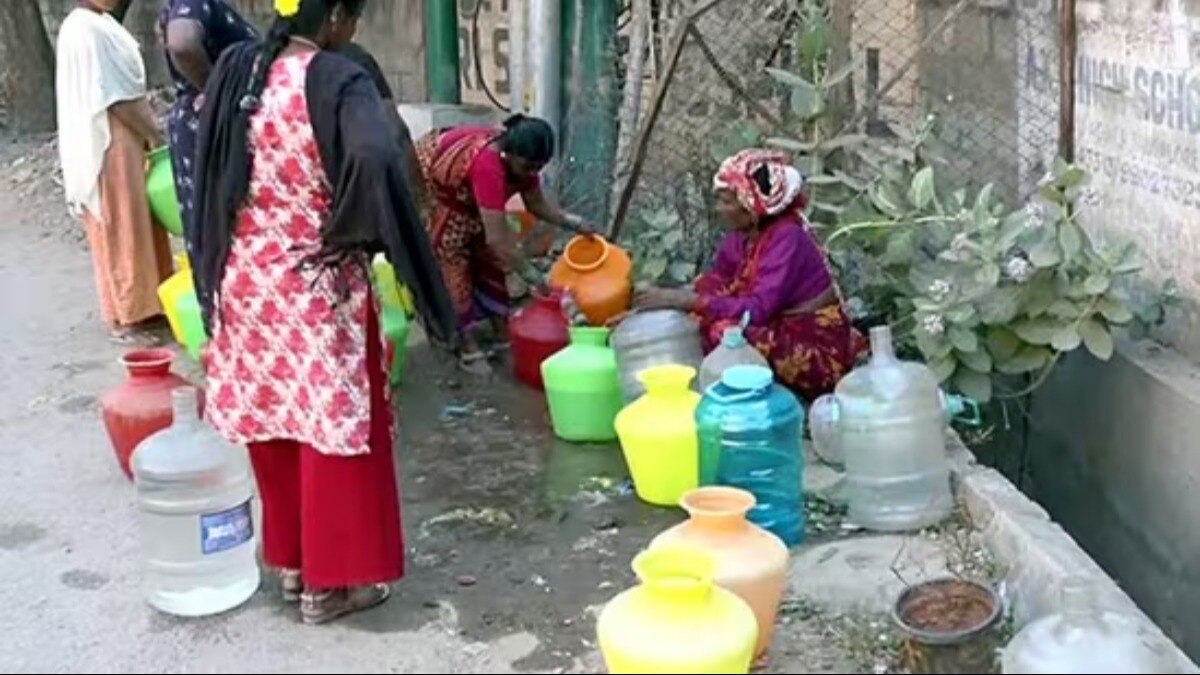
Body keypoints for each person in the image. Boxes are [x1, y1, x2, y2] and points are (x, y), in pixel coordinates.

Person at [190, 0, 456, 623]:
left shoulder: (236, 70)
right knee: (335, 429)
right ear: (335, 15)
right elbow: (374, 155)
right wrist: (353, 231)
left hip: (248, 280)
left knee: (276, 420)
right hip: (315, 280)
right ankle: (333, 585)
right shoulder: (337, 77)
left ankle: (292, 566)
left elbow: (208, 162)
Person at [634, 149, 864, 401]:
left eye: (727, 201)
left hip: (817, 349)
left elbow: (756, 311)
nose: (719, 208)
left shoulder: (788, 239)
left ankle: (759, 400)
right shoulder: (740, 239)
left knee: (727, 332)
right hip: (778, 328)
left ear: (752, 205)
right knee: (698, 310)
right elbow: (715, 285)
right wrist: (659, 304)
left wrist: (681, 300)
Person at [415, 116, 591, 374]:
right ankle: (466, 342)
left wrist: (574, 223)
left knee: (490, 260)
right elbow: (498, 240)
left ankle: (500, 329)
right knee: (453, 262)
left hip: (472, 197)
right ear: (509, 155)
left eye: (539, 167)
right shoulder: (488, 165)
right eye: (530, 167)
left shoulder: (523, 160)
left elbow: (535, 204)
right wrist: (532, 275)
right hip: (439, 191)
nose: (534, 173)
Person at [56, 0, 173, 343]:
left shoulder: (90, 24)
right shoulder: (88, 30)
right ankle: (133, 314)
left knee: (131, 222)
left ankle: (143, 305)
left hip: (116, 137)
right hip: (111, 138)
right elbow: (116, 97)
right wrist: (154, 132)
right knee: (125, 223)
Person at [160, 0, 259, 234]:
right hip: (211, 128)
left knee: (212, 231)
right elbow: (182, 43)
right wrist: (216, 93)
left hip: (204, 125)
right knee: (223, 232)